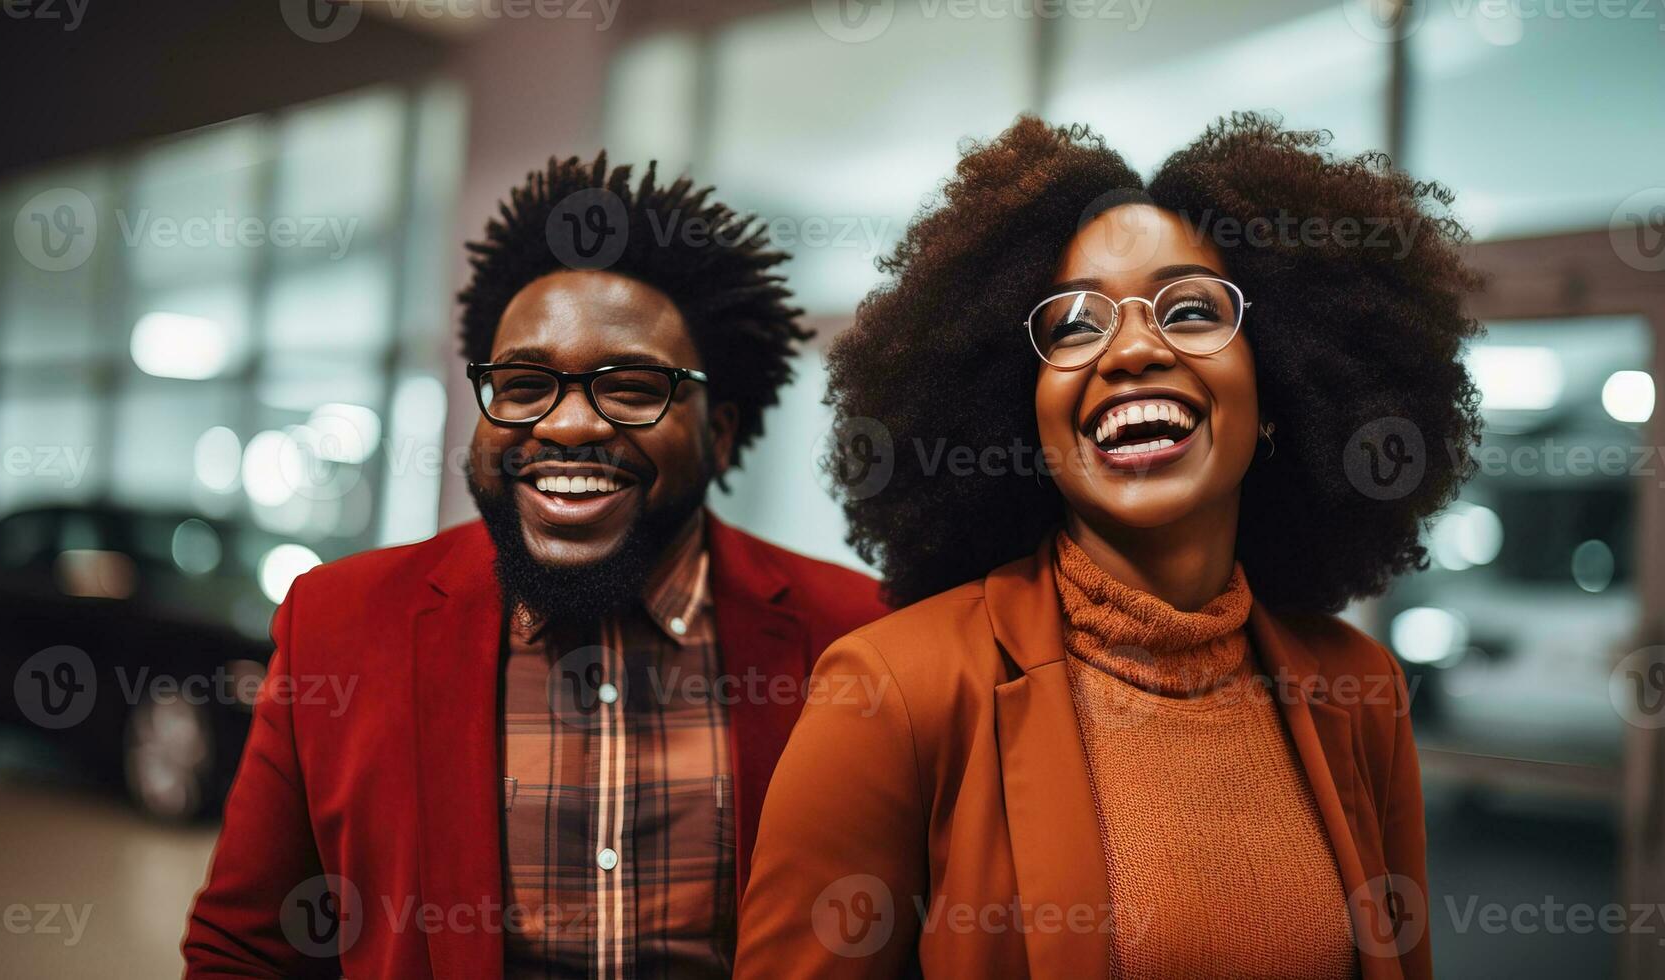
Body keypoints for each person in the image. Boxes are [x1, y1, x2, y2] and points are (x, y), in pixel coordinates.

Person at [735, 115, 1482, 979]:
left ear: (1278, 388)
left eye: (1190, 309)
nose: (1131, 348)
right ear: (1023, 409)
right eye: (1074, 326)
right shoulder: (893, 694)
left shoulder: (1358, 693)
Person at [183, 152, 888, 978]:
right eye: (522, 384)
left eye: (630, 386)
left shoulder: (856, 635)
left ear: (720, 432)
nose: (566, 426)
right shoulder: (336, 626)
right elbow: (245, 949)